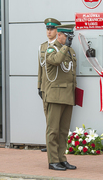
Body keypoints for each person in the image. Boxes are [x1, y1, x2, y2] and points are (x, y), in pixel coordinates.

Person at [43, 24, 77, 171]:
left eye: (71, 37)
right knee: (53, 130)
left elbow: (72, 73)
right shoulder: (52, 49)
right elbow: (56, 60)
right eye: (67, 36)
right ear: (60, 35)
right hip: (55, 95)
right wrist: (65, 47)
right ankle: (53, 161)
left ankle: (62, 158)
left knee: (64, 130)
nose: (70, 39)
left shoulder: (70, 51)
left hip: (68, 95)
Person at [38, 18, 61, 152]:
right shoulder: (42, 47)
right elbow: (40, 68)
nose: (49, 31)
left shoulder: (60, 46)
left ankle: (56, 145)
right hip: (45, 87)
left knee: (57, 121)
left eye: (52, 29)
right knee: (48, 117)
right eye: (47, 29)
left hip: (57, 88)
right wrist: (39, 86)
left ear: (57, 31)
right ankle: (50, 145)